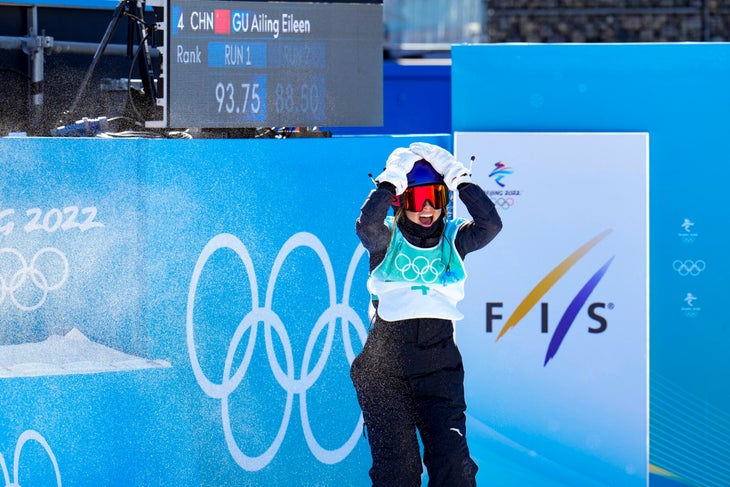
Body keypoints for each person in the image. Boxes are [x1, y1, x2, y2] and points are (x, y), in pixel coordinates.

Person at [351, 142, 503, 486]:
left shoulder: (454, 238)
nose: (429, 209)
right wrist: (389, 182)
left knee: (454, 466)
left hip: (439, 366)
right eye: (419, 200)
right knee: (399, 472)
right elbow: (367, 227)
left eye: (436, 198)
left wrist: (460, 180)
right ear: (403, 202)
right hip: (385, 368)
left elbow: (490, 225)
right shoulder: (388, 237)